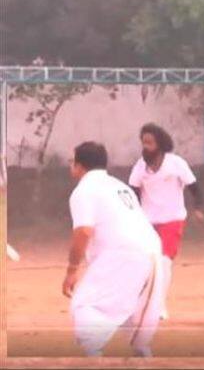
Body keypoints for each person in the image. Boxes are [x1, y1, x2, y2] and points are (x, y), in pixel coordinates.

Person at [63, 142, 163, 357]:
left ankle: (93, 356)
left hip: (123, 255)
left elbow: (83, 232)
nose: (71, 166)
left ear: (79, 165)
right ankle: (143, 355)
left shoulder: (84, 190)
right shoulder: (119, 185)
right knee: (129, 312)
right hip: (151, 251)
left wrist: (72, 270)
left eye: (72, 161)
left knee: (86, 306)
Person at [128, 123, 204, 321]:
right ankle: (140, 302)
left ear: (160, 143)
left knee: (164, 262)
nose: (146, 146)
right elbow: (133, 191)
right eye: (143, 142)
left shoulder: (176, 163)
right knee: (146, 264)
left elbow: (194, 187)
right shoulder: (140, 166)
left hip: (172, 218)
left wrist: (198, 208)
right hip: (147, 221)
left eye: (150, 142)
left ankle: (158, 305)